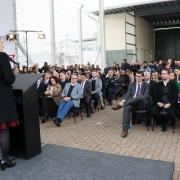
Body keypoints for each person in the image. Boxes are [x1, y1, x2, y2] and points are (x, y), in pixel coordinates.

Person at [112, 71, 149, 137]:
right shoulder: (132, 85)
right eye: (136, 76)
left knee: (141, 96)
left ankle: (121, 105)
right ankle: (125, 130)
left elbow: (145, 96)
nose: (137, 78)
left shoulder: (146, 85)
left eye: (139, 76)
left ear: (143, 77)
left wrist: (123, 103)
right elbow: (127, 94)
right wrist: (123, 100)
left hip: (141, 104)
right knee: (127, 108)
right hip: (132, 104)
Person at [0, 38, 19, 170]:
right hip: (2, 98)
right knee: (3, 129)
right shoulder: (2, 56)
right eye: (1, 42)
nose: (3, 44)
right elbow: (9, 78)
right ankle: (5, 159)